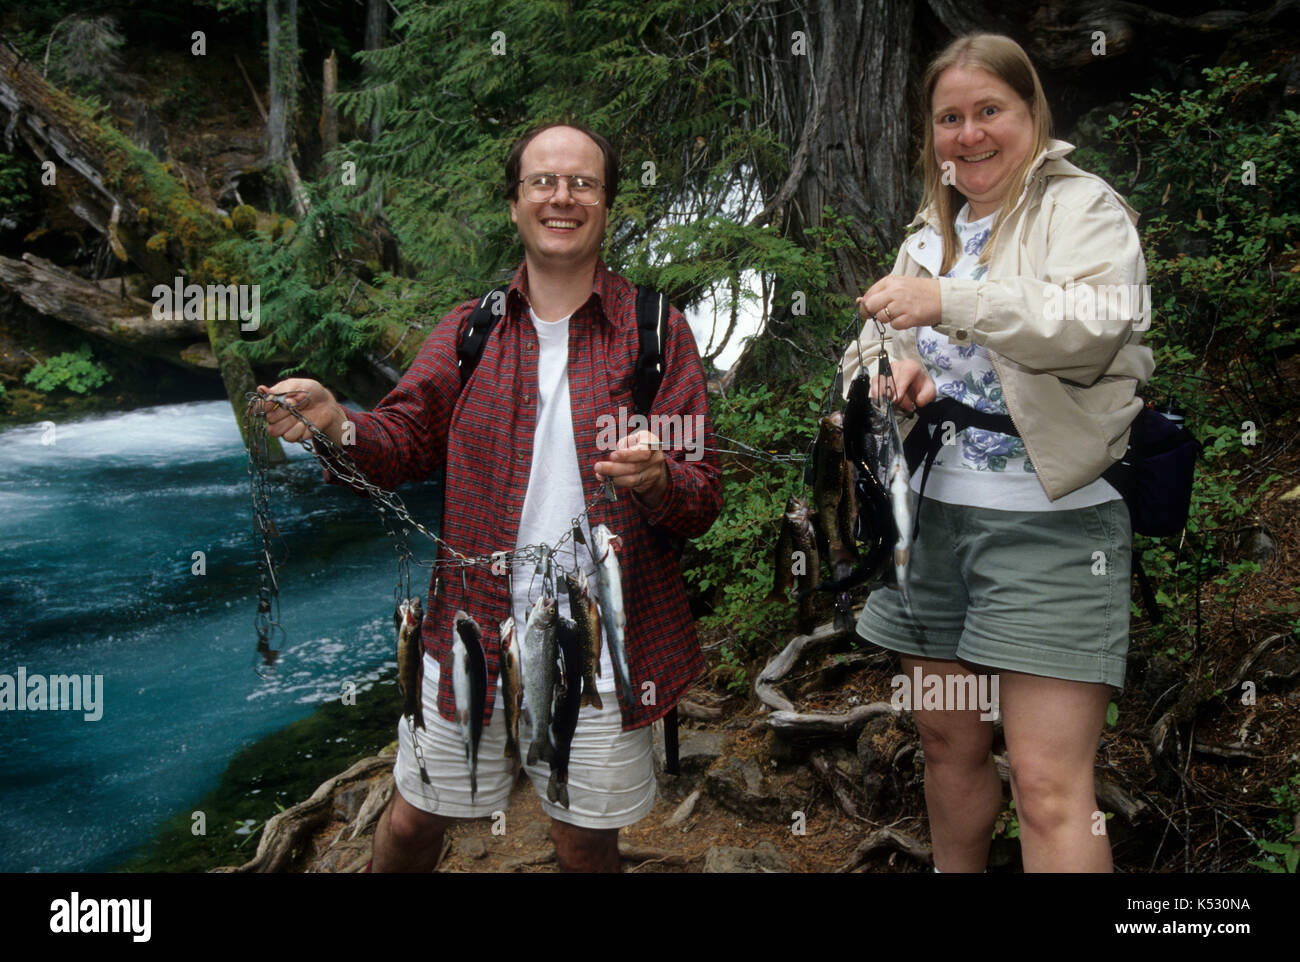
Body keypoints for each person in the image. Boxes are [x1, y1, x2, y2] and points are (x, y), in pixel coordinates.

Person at [258, 122, 722, 872]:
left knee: (583, 841)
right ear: (515, 204)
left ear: (608, 206)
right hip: (467, 629)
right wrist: (338, 425)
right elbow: (402, 441)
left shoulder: (654, 334)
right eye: (543, 181)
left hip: (603, 635)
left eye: (582, 183)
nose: (561, 197)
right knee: (412, 823)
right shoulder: (472, 331)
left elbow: (702, 498)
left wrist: (663, 478)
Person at [840, 33, 1154, 872]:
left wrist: (950, 299)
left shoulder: (1083, 208)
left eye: (990, 112)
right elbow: (867, 342)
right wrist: (891, 369)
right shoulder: (928, 230)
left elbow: (1091, 328)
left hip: (1053, 533)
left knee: (1050, 786)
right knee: (947, 748)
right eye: (951, 118)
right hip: (929, 531)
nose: (970, 134)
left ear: (1031, 113)